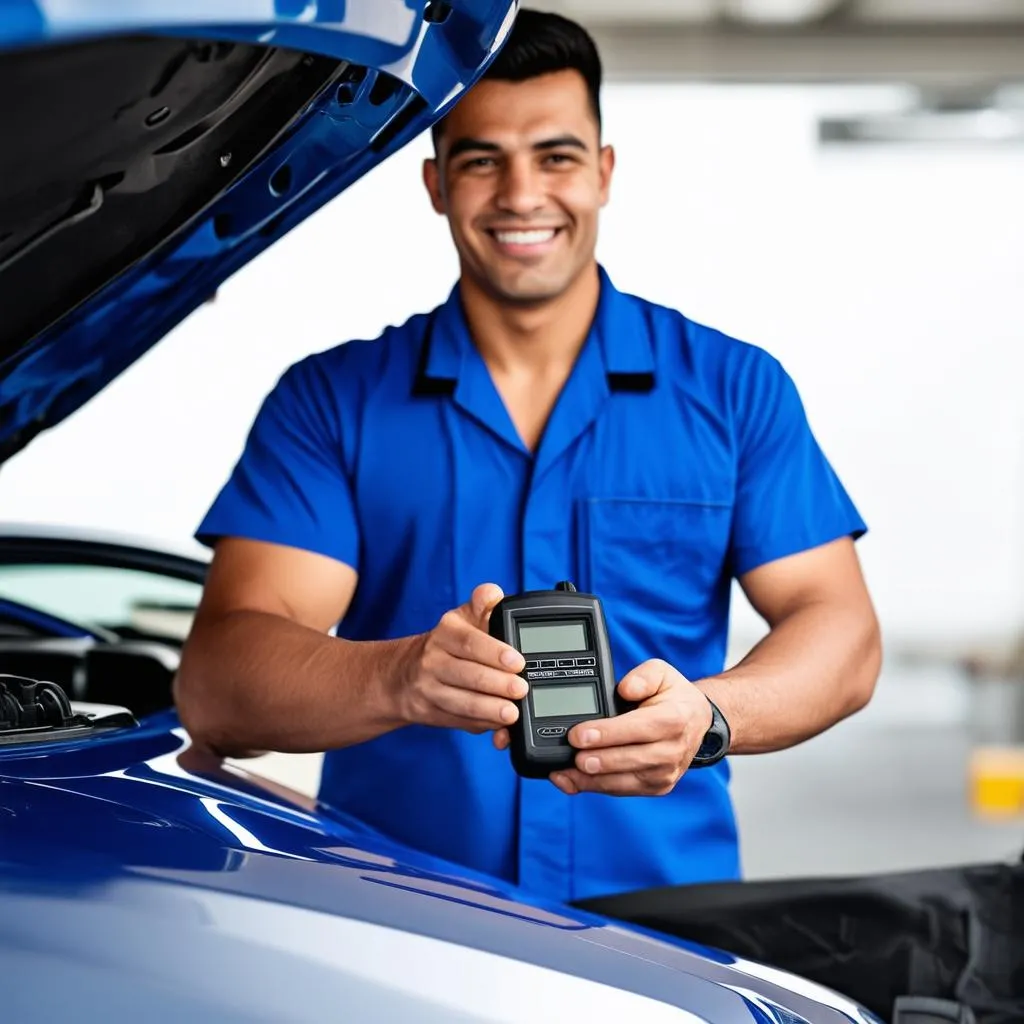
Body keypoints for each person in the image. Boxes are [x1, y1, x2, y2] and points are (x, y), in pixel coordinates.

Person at [174, 9, 881, 904]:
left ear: (603, 172)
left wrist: (711, 716)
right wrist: (400, 676)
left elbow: (842, 633)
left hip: (669, 935)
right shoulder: (333, 404)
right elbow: (220, 687)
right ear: (435, 183)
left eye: (555, 156)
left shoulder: (735, 389)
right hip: (399, 924)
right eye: (481, 160)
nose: (520, 194)